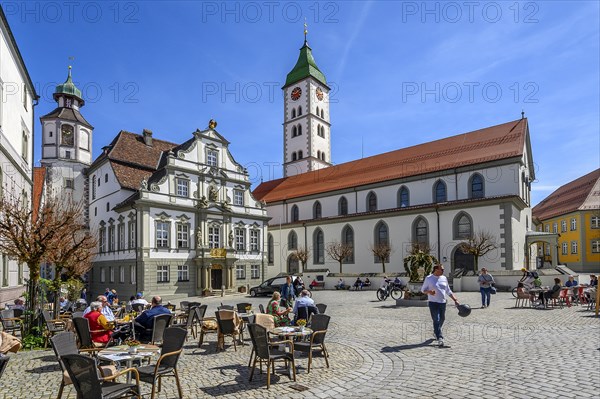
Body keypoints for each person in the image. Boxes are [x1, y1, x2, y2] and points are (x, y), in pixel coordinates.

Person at [421, 264, 460, 347]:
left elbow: (448, 291)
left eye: (443, 269)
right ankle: (440, 338)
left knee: (442, 319)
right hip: (433, 302)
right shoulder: (429, 278)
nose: (443, 271)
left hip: (442, 302)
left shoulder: (444, 278)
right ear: (436, 270)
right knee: (436, 319)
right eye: (441, 269)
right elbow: (422, 290)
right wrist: (429, 292)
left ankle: (436, 331)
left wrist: (455, 300)